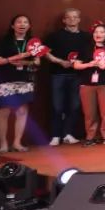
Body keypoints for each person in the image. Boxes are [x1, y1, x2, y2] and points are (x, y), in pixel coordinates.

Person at [0, 14, 39, 153]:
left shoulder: (33, 43)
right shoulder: (4, 41)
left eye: (25, 22)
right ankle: (3, 144)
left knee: (22, 111)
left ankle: (17, 143)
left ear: (29, 26)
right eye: (19, 22)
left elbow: (37, 63)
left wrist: (25, 62)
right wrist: (14, 58)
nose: (22, 24)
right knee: (4, 111)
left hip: (24, 80)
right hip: (5, 79)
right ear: (12, 26)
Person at [44, 8, 87, 146]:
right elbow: (45, 52)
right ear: (64, 20)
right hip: (58, 74)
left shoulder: (86, 36)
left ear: (79, 19)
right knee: (57, 106)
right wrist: (59, 61)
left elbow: (89, 54)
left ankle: (68, 134)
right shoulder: (54, 36)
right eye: (69, 17)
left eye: (75, 17)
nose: (72, 19)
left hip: (78, 75)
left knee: (74, 106)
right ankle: (55, 135)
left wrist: (79, 63)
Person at [73, 23, 105, 146]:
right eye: (96, 32)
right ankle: (90, 137)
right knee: (89, 113)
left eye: (101, 32)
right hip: (87, 84)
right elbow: (76, 65)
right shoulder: (86, 48)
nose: (98, 34)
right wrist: (89, 64)